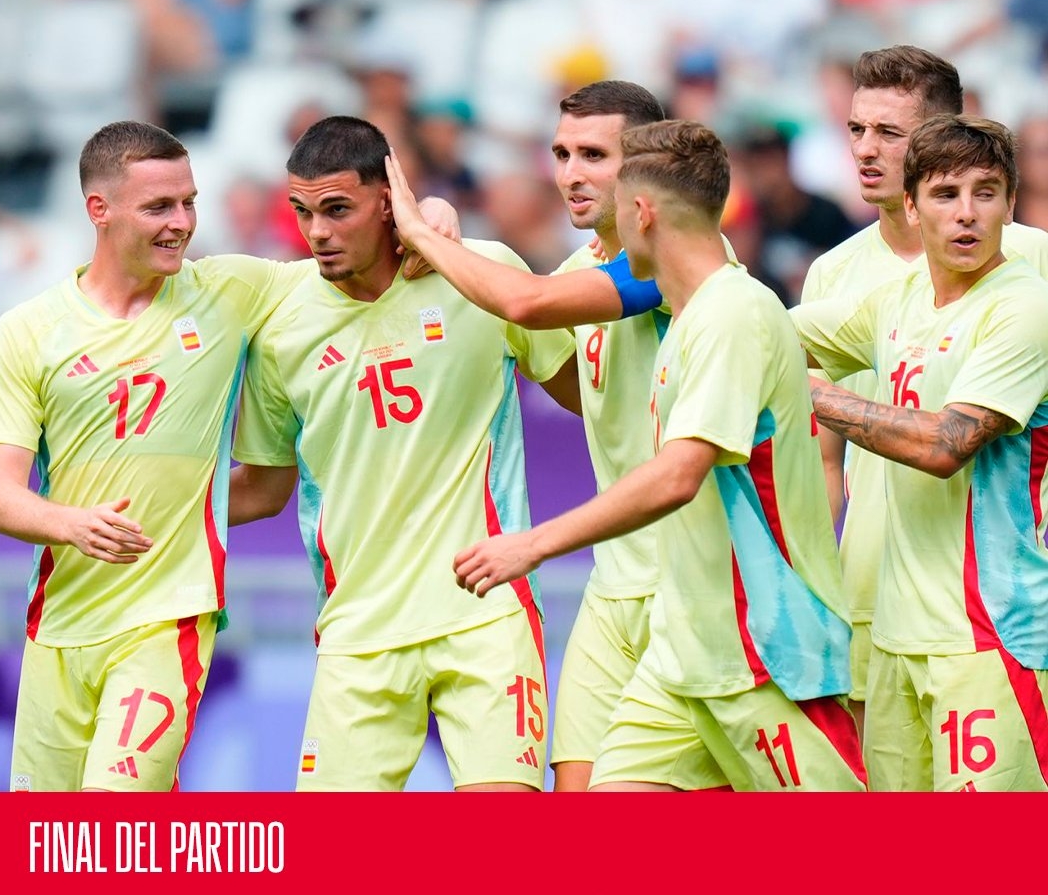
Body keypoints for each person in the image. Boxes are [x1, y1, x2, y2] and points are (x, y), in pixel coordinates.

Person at [412, 120, 866, 792]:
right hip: (684, 654)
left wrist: (532, 544)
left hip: (768, 650)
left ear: (642, 213)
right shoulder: (686, 318)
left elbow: (679, 475)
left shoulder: (731, 315)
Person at [229, 116, 578, 792]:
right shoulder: (282, 328)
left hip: (486, 613)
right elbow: (265, 489)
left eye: (337, 209)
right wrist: (153, 517)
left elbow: (591, 401)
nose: (317, 232)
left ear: (388, 201)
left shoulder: (483, 274)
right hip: (358, 631)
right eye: (302, 212)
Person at [0, 121, 302, 791]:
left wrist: (438, 220)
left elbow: (352, 263)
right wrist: (71, 524)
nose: (181, 223)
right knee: (48, 846)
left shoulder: (230, 291)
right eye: (159, 207)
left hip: (167, 620)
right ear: (99, 210)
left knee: (114, 820)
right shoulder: (28, 330)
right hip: (58, 626)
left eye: (189, 202)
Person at [387, 79, 684, 792]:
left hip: (696, 582)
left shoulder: (676, 255)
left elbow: (524, 302)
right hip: (615, 587)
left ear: (646, 166)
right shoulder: (580, 271)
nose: (571, 174)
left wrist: (423, 229)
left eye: (594, 155)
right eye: (561, 154)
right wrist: (446, 222)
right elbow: (585, 392)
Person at [795, 116, 1048, 791]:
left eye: (985, 192)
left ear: (1010, 204)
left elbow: (945, 444)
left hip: (989, 640)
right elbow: (769, 335)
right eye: (945, 194)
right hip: (895, 636)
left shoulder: (1025, 307)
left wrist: (813, 395)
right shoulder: (899, 298)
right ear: (911, 207)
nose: (967, 213)